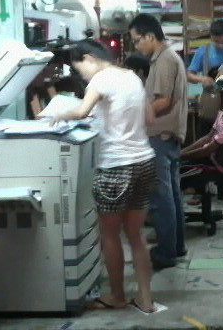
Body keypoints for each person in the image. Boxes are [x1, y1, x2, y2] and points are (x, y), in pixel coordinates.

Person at [50, 40, 157, 313]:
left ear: (88, 58)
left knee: (109, 235)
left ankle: (117, 296)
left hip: (115, 166)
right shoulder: (132, 76)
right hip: (144, 161)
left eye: (80, 69)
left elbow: (82, 110)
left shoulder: (99, 80)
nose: (82, 75)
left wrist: (57, 115)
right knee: (136, 236)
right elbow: (150, 117)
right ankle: (147, 300)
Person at [129, 14, 189, 271]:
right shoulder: (167, 57)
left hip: (161, 137)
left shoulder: (164, 60)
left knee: (162, 198)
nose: (136, 47)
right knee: (172, 196)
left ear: (150, 36)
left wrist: (132, 118)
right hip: (169, 136)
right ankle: (176, 245)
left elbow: (163, 101)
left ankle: (166, 253)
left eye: (136, 41)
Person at [181, 74, 223, 202]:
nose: (215, 98)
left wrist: (181, 156)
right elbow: (208, 137)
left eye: (218, 95)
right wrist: (183, 152)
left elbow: (207, 150)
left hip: (215, 164)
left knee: (176, 170)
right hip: (212, 159)